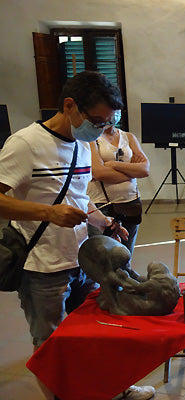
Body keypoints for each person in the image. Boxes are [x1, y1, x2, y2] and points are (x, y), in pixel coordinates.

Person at [0, 71, 155, 400]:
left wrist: (105, 223)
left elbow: (78, 198)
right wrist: (47, 213)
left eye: (106, 123)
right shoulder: (25, 144)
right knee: (51, 345)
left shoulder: (83, 145)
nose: (100, 130)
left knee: (98, 332)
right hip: (42, 267)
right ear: (70, 106)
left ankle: (115, 390)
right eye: (97, 121)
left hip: (82, 259)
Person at [87, 114, 150, 253]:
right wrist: (132, 172)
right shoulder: (92, 138)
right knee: (103, 257)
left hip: (130, 203)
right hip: (102, 204)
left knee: (125, 255)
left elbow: (144, 170)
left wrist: (112, 164)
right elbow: (98, 173)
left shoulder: (129, 137)